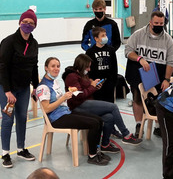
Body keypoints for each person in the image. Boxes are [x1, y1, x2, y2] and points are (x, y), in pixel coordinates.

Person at [37, 57, 110, 166]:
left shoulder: (55, 81)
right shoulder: (43, 86)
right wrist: (63, 98)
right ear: (46, 68)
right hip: (56, 118)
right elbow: (47, 108)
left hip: (65, 112)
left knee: (99, 120)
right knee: (94, 124)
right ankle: (92, 155)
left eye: (58, 66)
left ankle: (96, 150)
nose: (56, 69)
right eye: (53, 66)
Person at [62, 54, 142, 153]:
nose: (89, 69)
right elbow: (79, 95)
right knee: (113, 107)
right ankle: (126, 135)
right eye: (87, 67)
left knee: (109, 117)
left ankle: (105, 144)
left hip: (86, 103)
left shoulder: (82, 74)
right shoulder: (71, 77)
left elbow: (86, 88)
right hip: (78, 106)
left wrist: (94, 85)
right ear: (82, 65)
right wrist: (92, 87)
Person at [124, 11, 173, 137]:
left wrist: (167, 79)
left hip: (159, 73)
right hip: (138, 72)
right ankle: (138, 124)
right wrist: (139, 59)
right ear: (151, 22)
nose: (159, 25)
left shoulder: (168, 40)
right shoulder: (138, 34)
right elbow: (128, 51)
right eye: (156, 23)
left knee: (159, 100)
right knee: (137, 97)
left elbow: (171, 61)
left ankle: (158, 126)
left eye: (161, 23)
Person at [0, 9, 39, 168]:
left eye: (31, 23)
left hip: (23, 89)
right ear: (19, 23)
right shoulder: (8, 42)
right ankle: (5, 153)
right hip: (6, 89)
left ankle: (21, 149)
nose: (27, 25)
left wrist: (36, 87)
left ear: (35, 26)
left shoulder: (34, 43)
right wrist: (7, 91)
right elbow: (2, 67)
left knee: (22, 117)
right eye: (25, 22)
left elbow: (34, 66)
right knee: (8, 120)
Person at [85, 27, 117, 103]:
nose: (105, 37)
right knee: (98, 104)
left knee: (109, 104)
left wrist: (113, 82)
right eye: (102, 36)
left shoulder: (111, 50)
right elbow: (87, 69)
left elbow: (114, 67)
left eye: (105, 35)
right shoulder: (90, 52)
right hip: (96, 83)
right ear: (96, 38)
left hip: (109, 82)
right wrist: (91, 81)